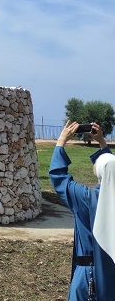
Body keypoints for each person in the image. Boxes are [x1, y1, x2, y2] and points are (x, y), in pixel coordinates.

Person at [49, 121, 115, 300]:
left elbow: (59, 177)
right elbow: (111, 169)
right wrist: (102, 142)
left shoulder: (86, 198)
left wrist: (61, 142)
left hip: (89, 278)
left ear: (100, 172)